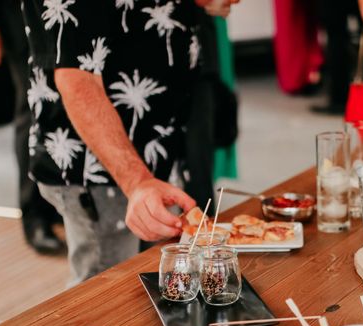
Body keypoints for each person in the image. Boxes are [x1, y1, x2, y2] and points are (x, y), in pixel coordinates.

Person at [20, 0, 236, 285]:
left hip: (159, 148)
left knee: (162, 291)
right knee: (106, 302)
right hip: (100, 168)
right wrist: (137, 182)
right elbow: (77, 81)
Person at [0, 0, 64, 255]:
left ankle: (59, 202)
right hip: (22, 17)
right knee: (33, 109)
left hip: (71, 17)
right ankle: (34, 214)